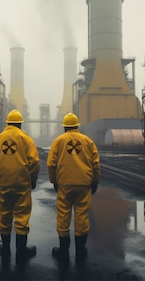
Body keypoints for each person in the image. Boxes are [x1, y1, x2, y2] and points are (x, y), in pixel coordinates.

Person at [47, 112, 100, 264]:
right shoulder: (88, 141)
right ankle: (80, 251)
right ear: (77, 126)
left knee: (63, 215)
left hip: (64, 184)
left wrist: (54, 181)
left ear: (64, 127)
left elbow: (51, 164)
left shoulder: (59, 141)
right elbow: (95, 163)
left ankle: (63, 250)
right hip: (84, 184)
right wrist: (95, 181)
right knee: (82, 215)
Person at [0, 109, 40, 260]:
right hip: (21, 184)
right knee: (22, 217)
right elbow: (34, 162)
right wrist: (33, 179)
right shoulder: (26, 139)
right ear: (20, 124)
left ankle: (5, 248)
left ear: (7, 123)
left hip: (2, 183)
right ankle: (22, 251)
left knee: (4, 215)